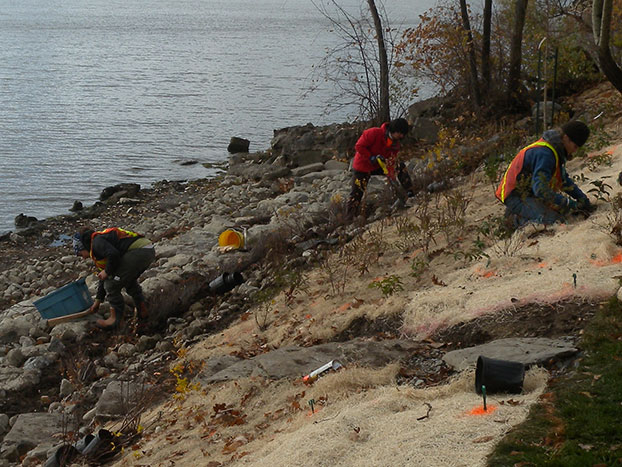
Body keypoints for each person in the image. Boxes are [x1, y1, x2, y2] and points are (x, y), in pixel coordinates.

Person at [495, 120, 595, 228]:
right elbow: (541, 190)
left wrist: (582, 199)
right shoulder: (545, 154)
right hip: (515, 196)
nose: (575, 151)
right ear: (565, 138)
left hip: (529, 193)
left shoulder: (555, 150)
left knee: (563, 213)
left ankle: (522, 212)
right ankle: (514, 220)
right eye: (575, 147)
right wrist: (568, 203)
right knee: (554, 221)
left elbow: (563, 181)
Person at [73, 227, 156, 330]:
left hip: (140, 252)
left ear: (83, 246)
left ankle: (115, 320)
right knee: (127, 281)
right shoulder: (98, 244)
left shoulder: (97, 243)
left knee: (112, 284)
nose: (83, 258)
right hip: (147, 249)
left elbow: (114, 255)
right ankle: (142, 310)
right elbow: (103, 278)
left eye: (80, 254)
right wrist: (98, 301)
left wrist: (107, 271)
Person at [346, 117, 414, 218]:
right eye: (400, 133)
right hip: (363, 166)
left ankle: (410, 194)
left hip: (379, 166)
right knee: (356, 194)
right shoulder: (373, 133)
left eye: (403, 134)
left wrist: (391, 174)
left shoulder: (396, 144)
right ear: (394, 129)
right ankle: (349, 219)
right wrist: (370, 157)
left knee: (399, 166)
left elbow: (391, 161)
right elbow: (359, 146)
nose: (402, 136)